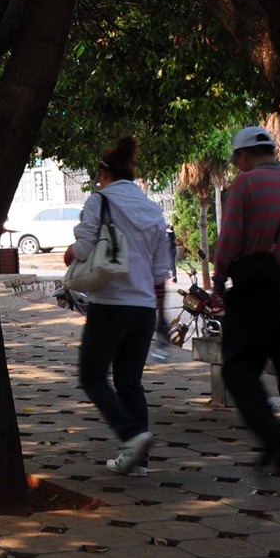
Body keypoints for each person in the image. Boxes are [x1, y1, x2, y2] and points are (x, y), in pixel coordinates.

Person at [213, 125, 280, 476]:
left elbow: (229, 240)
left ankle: (276, 438)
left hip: (257, 288)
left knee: (239, 368)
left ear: (244, 156)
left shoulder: (244, 185)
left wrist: (218, 277)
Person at [63, 136, 173, 476]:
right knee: (129, 382)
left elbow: (82, 250)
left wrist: (69, 254)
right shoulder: (153, 210)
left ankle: (131, 434)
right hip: (143, 309)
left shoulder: (101, 201)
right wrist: (162, 318)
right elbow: (159, 273)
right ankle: (137, 462)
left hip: (110, 305)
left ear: (104, 174)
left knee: (93, 376)